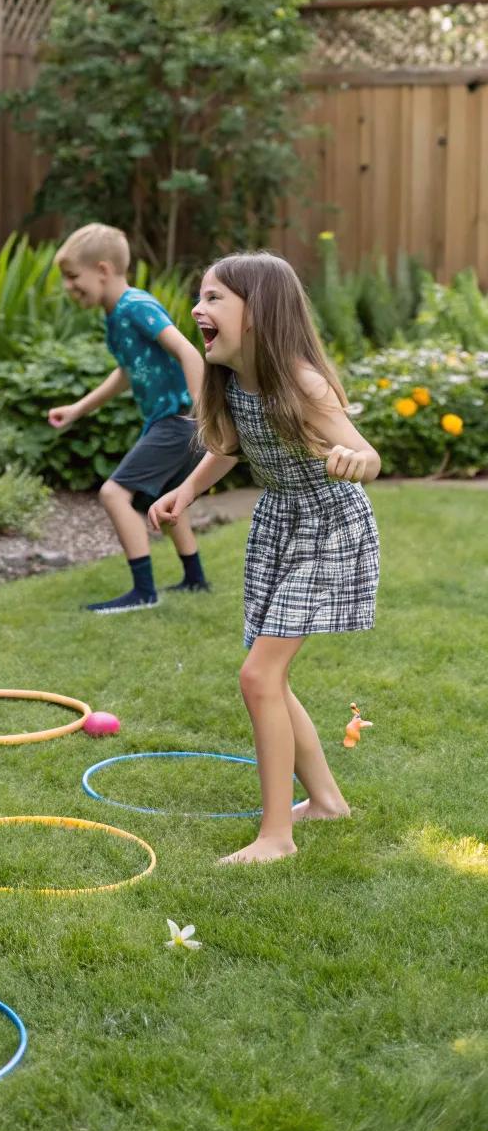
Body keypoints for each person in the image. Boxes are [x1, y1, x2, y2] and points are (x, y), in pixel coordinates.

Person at [148, 251, 380, 865]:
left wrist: (357, 461)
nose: (199, 309)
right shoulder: (232, 380)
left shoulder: (300, 381)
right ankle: (326, 800)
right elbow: (228, 446)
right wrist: (187, 490)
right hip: (280, 524)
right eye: (200, 297)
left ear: (261, 312)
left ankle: (277, 837)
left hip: (328, 527)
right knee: (267, 675)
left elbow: (364, 451)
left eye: (215, 298)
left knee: (258, 676)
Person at [48, 223, 207, 613]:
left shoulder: (136, 306)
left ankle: (143, 592)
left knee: (114, 493)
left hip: (179, 418)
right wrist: (78, 408)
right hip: (170, 419)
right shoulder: (116, 315)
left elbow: (189, 353)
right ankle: (194, 580)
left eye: (73, 277)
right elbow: (127, 372)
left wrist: (206, 413)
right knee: (170, 501)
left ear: (102, 269)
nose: (69, 287)